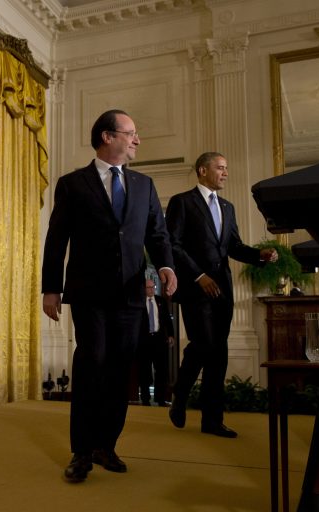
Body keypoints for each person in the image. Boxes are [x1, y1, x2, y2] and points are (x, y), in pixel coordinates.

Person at [41, 109, 177, 483]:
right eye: (130, 133)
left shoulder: (145, 185)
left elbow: (158, 235)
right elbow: (57, 239)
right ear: (107, 137)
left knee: (120, 370)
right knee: (92, 361)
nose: (137, 139)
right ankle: (81, 451)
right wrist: (51, 288)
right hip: (88, 293)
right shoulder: (72, 184)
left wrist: (166, 267)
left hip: (132, 294)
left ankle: (106, 445)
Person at [165, 152, 277, 439]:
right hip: (195, 287)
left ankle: (212, 421)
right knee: (203, 343)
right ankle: (180, 392)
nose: (226, 173)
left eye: (227, 168)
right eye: (221, 167)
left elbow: (234, 247)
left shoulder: (228, 207)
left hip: (223, 289)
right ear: (203, 170)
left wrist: (259, 256)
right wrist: (198, 276)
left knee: (218, 353)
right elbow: (174, 245)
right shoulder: (182, 202)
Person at [136, 275, 175, 407]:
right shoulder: (139, 302)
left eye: (153, 287)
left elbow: (167, 320)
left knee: (162, 371)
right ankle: (146, 399)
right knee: (144, 371)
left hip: (159, 340)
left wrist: (171, 335)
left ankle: (161, 399)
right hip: (144, 341)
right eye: (149, 287)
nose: (152, 290)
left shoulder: (161, 301)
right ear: (143, 289)